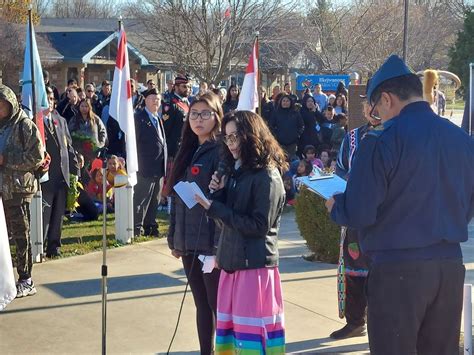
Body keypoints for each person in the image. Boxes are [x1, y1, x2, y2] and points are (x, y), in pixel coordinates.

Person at [326, 54, 474, 354]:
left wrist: (335, 207)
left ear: (387, 99)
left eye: (377, 108)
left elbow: (359, 212)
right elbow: (468, 207)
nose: (378, 115)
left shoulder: (379, 140)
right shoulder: (461, 139)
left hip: (397, 271)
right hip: (449, 268)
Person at [195, 110, 287, 354]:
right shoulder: (237, 172)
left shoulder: (267, 176)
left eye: (235, 137)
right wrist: (218, 194)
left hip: (254, 270)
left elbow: (258, 226)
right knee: (232, 341)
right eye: (227, 138)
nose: (231, 144)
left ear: (251, 136)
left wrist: (215, 207)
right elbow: (227, 221)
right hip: (231, 265)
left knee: (251, 342)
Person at [167, 92, 223, 355]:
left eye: (205, 114)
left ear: (217, 116)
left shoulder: (221, 151)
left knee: (215, 303)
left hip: (210, 242)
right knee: (201, 303)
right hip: (188, 241)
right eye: (194, 114)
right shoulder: (187, 150)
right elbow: (177, 198)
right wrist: (174, 239)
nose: (198, 120)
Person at [330, 92, 380, 340]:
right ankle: (355, 321)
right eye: (368, 103)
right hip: (355, 217)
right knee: (353, 271)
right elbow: (340, 170)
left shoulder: (395, 134)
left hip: (384, 221)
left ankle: (378, 325)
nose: (371, 108)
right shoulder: (352, 138)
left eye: (376, 102)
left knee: (381, 275)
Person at [0, 84, 44, 298]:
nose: (0, 109)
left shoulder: (24, 125)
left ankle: (26, 278)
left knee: (21, 234)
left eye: (2, 105)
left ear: (11, 105)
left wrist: (6, 160)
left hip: (18, 190)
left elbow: (37, 157)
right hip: (2, 190)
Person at [42, 87, 79, 258]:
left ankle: (54, 247)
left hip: (61, 176)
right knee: (44, 216)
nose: (49, 101)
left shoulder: (60, 120)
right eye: (46, 98)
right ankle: (39, 247)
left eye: (51, 98)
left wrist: (75, 171)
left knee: (58, 216)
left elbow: (68, 147)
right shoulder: (35, 121)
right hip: (44, 178)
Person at [134, 88, 167, 237]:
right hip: (145, 166)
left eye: (158, 99)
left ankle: (150, 226)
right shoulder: (139, 118)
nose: (156, 102)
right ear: (146, 100)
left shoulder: (158, 118)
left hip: (159, 167)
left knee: (155, 199)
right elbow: (134, 142)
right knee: (142, 199)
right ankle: (136, 227)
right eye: (153, 98)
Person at [68, 99, 107, 167]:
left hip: (93, 151)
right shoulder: (74, 119)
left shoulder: (95, 119)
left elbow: (103, 131)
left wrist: (100, 144)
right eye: (82, 106)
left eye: (86, 106)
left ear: (89, 107)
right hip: (79, 151)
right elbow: (69, 132)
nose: (84, 108)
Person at [268, 94, 304, 160]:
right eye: (284, 101)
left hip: (292, 142)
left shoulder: (295, 113)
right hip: (279, 142)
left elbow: (301, 125)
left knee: (292, 161)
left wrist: (297, 135)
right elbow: (271, 126)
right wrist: (276, 135)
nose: (285, 103)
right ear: (281, 102)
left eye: (287, 101)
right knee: (281, 160)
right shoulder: (276, 112)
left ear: (290, 102)